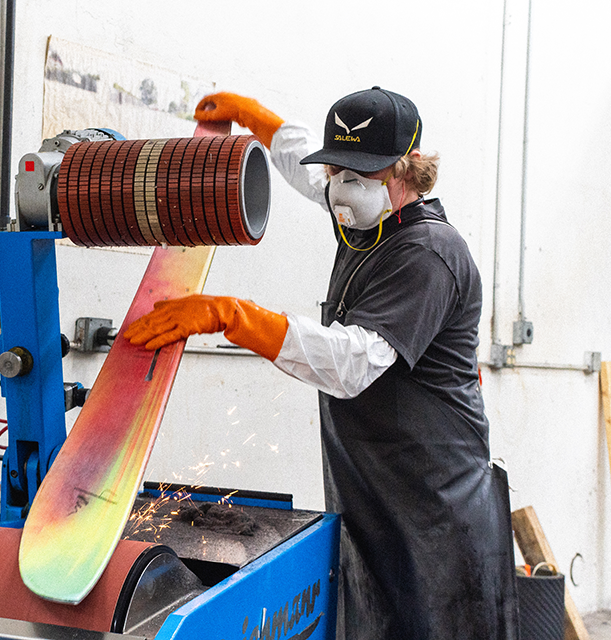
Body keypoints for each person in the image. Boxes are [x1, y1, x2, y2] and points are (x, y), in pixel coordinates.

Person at [125, 87, 518, 640]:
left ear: (406, 169)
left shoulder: (427, 253)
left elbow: (351, 362)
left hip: (437, 508)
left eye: (357, 174)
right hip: (374, 488)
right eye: (336, 170)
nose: (340, 187)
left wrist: (232, 316)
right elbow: (308, 171)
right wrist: (256, 119)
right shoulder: (368, 219)